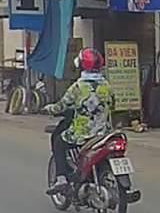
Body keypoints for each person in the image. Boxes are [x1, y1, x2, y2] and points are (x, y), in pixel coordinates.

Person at [43, 47, 114, 195]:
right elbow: (112, 105)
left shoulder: (78, 87)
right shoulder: (107, 86)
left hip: (83, 134)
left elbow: (61, 106)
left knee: (59, 141)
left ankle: (61, 179)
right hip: (104, 133)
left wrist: (49, 108)